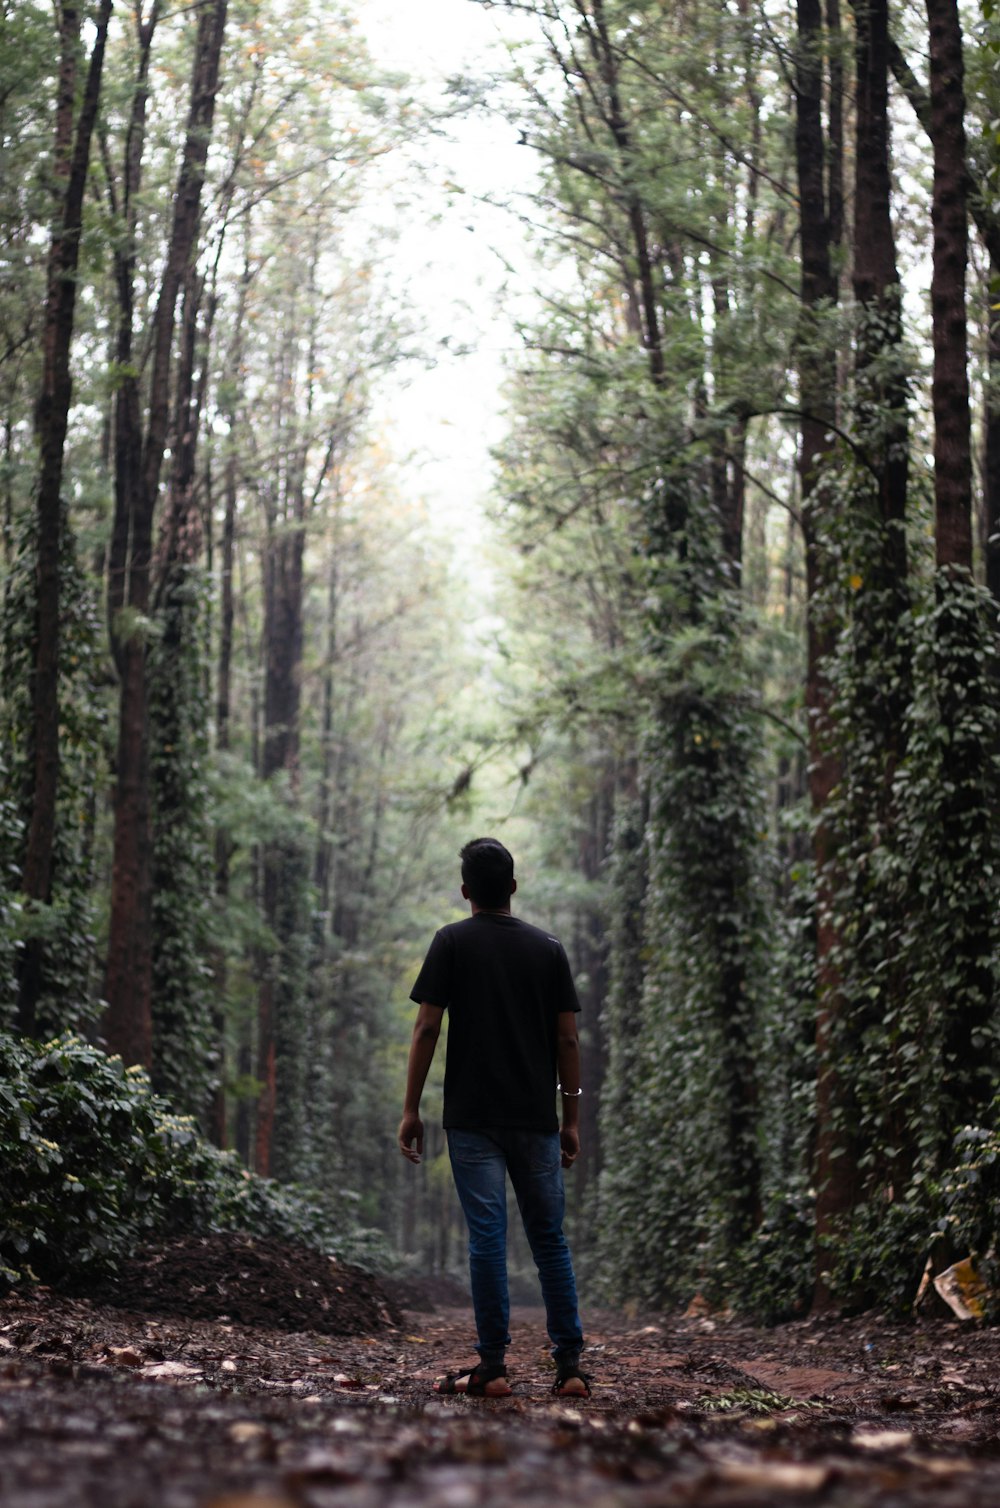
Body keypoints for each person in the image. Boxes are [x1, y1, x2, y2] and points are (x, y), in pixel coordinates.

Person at [397, 837, 589, 1399]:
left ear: (465, 892)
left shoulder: (450, 942)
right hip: (536, 1119)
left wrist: (411, 1109)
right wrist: (570, 1116)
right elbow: (568, 1039)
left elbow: (427, 1027)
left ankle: (493, 1368)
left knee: (487, 1239)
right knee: (549, 1239)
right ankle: (571, 1368)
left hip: (472, 1118)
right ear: (512, 887)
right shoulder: (548, 948)